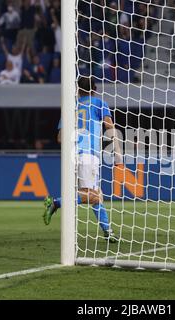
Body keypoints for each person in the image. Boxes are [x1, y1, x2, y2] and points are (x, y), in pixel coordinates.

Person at [43, 76, 122, 243]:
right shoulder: (99, 103)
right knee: (93, 196)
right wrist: (118, 151)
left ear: (78, 90)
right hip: (89, 155)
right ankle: (56, 202)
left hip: (72, 155)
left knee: (97, 194)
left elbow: (60, 138)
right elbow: (109, 127)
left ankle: (107, 231)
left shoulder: (70, 107)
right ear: (95, 90)